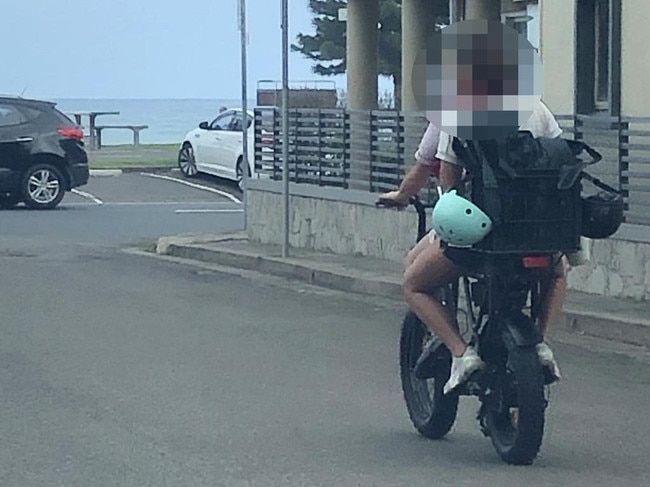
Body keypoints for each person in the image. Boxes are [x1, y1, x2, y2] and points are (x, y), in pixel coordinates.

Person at [380, 100, 567, 394]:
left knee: (414, 283)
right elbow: (561, 162)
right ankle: (541, 343)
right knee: (557, 272)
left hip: (483, 234)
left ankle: (461, 354)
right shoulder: (538, 108)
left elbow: (449, 183)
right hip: (533, 232)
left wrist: (448, 222)